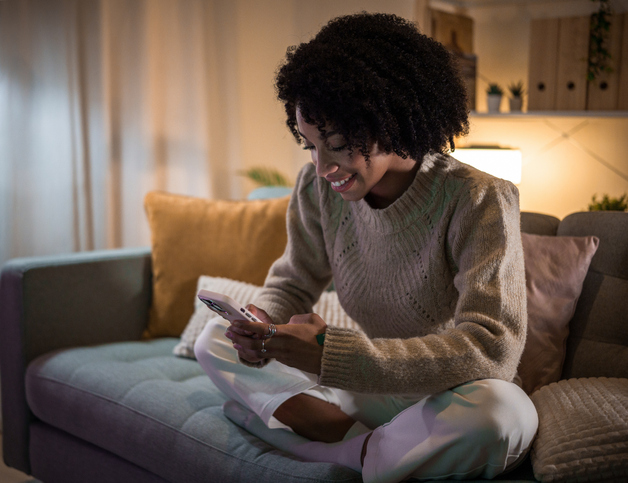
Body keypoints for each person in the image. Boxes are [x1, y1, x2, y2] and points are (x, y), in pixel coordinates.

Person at [194, 12, 538, 483]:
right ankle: (372, 452)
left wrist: (332, 356)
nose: (321, 167)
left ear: (391, 121)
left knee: (505, 416)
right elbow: (293, 282)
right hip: (370, 388)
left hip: (447, 394)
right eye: (311, 147)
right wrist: (261, 326)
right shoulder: (316, 191)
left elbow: (493, 348)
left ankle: (341, 449)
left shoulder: (478, 198)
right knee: (212, 340)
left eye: (336, 145)